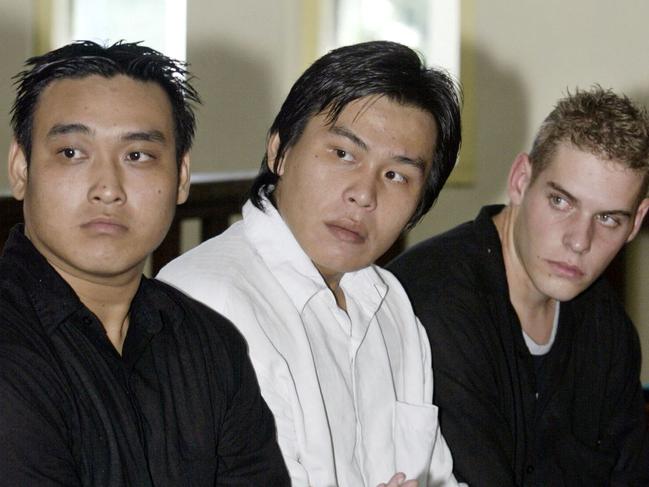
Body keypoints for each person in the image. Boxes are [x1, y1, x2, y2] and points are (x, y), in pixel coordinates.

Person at [158, 41, 463, 487]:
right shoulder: (203, 300)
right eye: (343, 154)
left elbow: (437, 476)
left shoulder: (389, 301)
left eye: (396, 175)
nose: (364, 193)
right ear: (279, 151)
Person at [0, 40, 289, 486]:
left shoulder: (210, 345)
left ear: (181, 177)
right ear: (21, 168)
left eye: (137, 156)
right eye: (72, 153)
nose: (108, 188)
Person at [389, 86, 649, 486]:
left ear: (636, 221)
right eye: (561, 202)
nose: (579, 241)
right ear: (520, 179)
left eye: (609, 219)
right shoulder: (434, 303)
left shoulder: (607, 328)